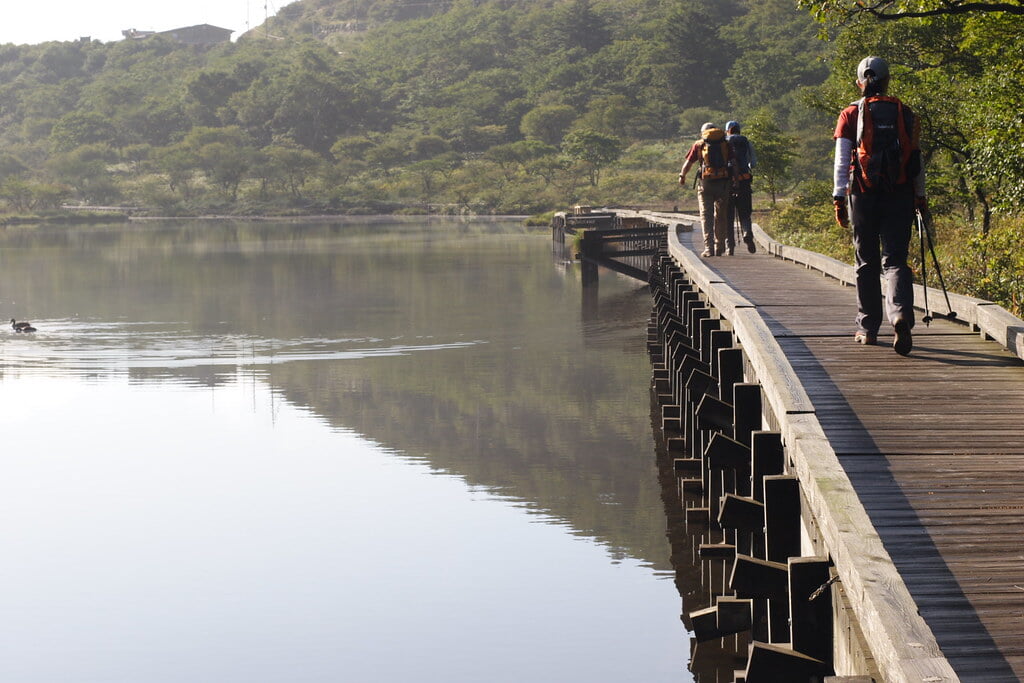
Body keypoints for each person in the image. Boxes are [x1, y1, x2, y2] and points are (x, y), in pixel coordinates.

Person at [833, 56, 927, 356]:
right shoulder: (906, 113)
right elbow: (916, 160)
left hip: (863, 193)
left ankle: (868, 328)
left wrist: (838, 196)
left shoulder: (850, 114)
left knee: (866, 262)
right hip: (899, 193)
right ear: (887, 81)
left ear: (860, 82)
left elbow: (841, 160)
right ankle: (899, 315)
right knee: (896, 260)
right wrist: (919, 196)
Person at [679, 122, 736, 257]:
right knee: (721, 215)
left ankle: (708, 248)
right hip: (723, 183)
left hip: (706, 183)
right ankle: (720, 246)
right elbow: (734, 163)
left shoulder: (699, 144)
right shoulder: (726, 144)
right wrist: (736, 181)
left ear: (702, 132)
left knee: (706, 215)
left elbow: (689, 163)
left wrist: (682, 175)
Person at [725, 120, 757, 254]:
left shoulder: (723, 143)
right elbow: (753, 163)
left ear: (728, 130)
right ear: (739, 130)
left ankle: (730, 246)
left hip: (727, 183)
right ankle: (746, 231)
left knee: (728, 215)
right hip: (744, 181)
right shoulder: (746, 141)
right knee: (745, 213)